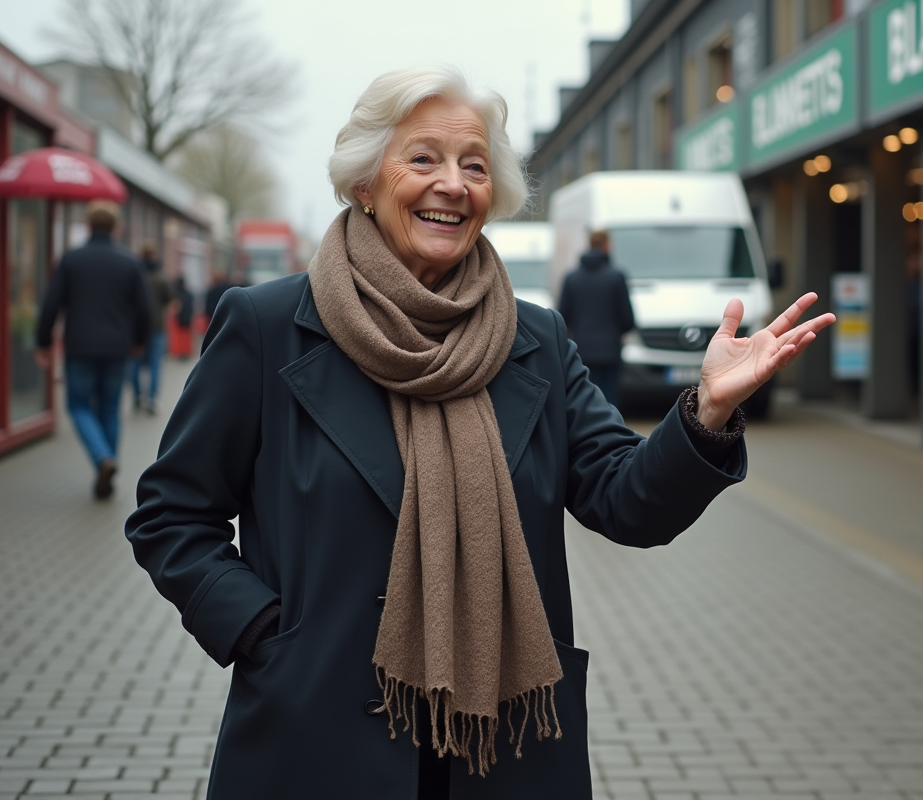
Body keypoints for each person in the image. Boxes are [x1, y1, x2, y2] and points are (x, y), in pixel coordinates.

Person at [125, 66, 834, 800]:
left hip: (506, 749)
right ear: (365, 182)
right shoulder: (268, 328)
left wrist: (707, 411)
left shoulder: (537, 339)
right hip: (315, 734)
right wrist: (267, 635)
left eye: (475, 166)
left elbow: (628, 501)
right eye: (423, 158)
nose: (453, 184)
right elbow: (172, 516)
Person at [36, 200, 150, 499]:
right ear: (116, 227)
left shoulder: (72, 260)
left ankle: (102, 459)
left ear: (88, 226)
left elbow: (51, 304)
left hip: (80, 347)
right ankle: (108, 465)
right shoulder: (129, 262)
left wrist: (43, 342)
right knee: (111, 407)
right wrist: (139, 342)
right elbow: (144, 309)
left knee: (78, 406)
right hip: (117, 347)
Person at [557, 229, 635, 407]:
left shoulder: (572, 278)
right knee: (609, 402)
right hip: (610, 351)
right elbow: (627, 319)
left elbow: (563, 317)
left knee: (587, 399)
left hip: (582, 350)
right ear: (606, 245)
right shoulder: (616, 277)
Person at [130, 241, 173, 415]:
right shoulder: (161, 277)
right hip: (156, 326)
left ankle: (137, 397)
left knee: (134, 363)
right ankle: (153, 399)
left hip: (135, 326)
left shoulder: (134, 276)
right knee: (155, 363)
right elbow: (170, 301)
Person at [168, 275, 195, 359]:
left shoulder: (176, 294)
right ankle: (186, 353)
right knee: (186, 337)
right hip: (187, 318)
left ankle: (180, 352)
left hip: (178, 318)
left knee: (179, 337)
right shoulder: (189, 294)